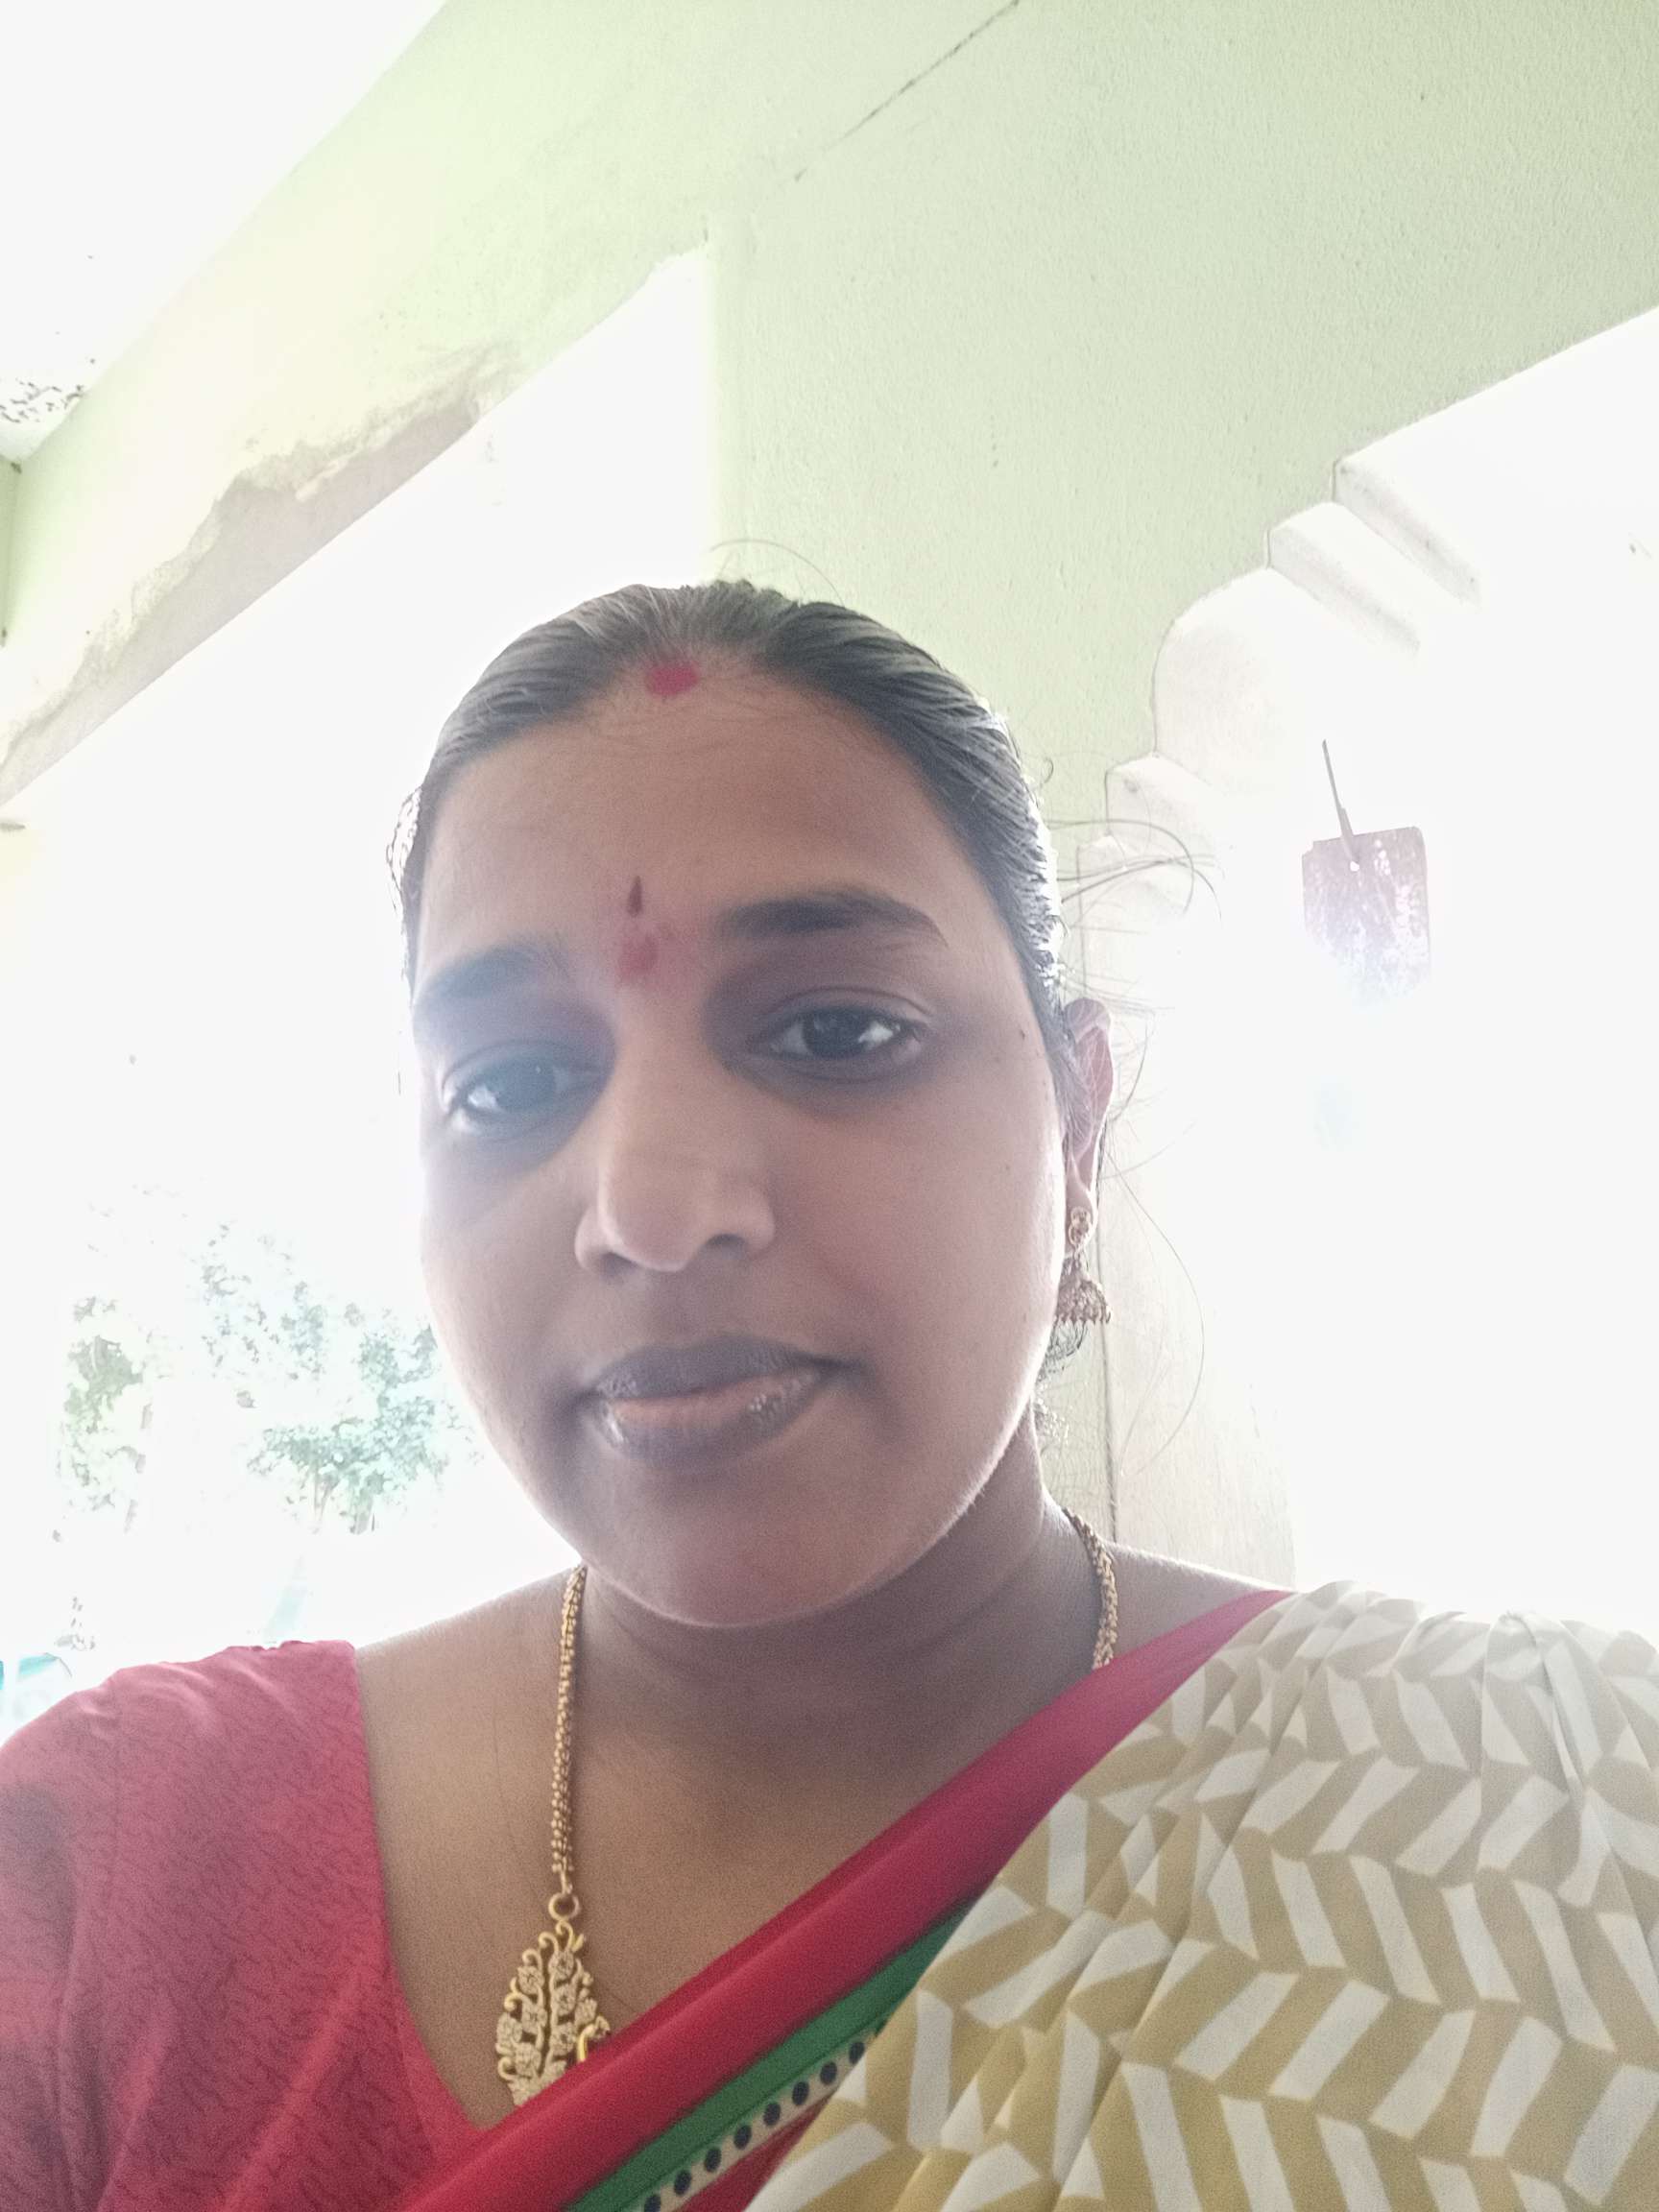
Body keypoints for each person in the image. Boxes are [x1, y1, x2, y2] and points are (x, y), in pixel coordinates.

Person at [2, 582, 1656, 2212]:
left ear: (1079, 1127)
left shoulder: (1545, 1824)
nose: (651, 1209)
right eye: (509, 1084)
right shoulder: (117, 1874)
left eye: (840, 1030)